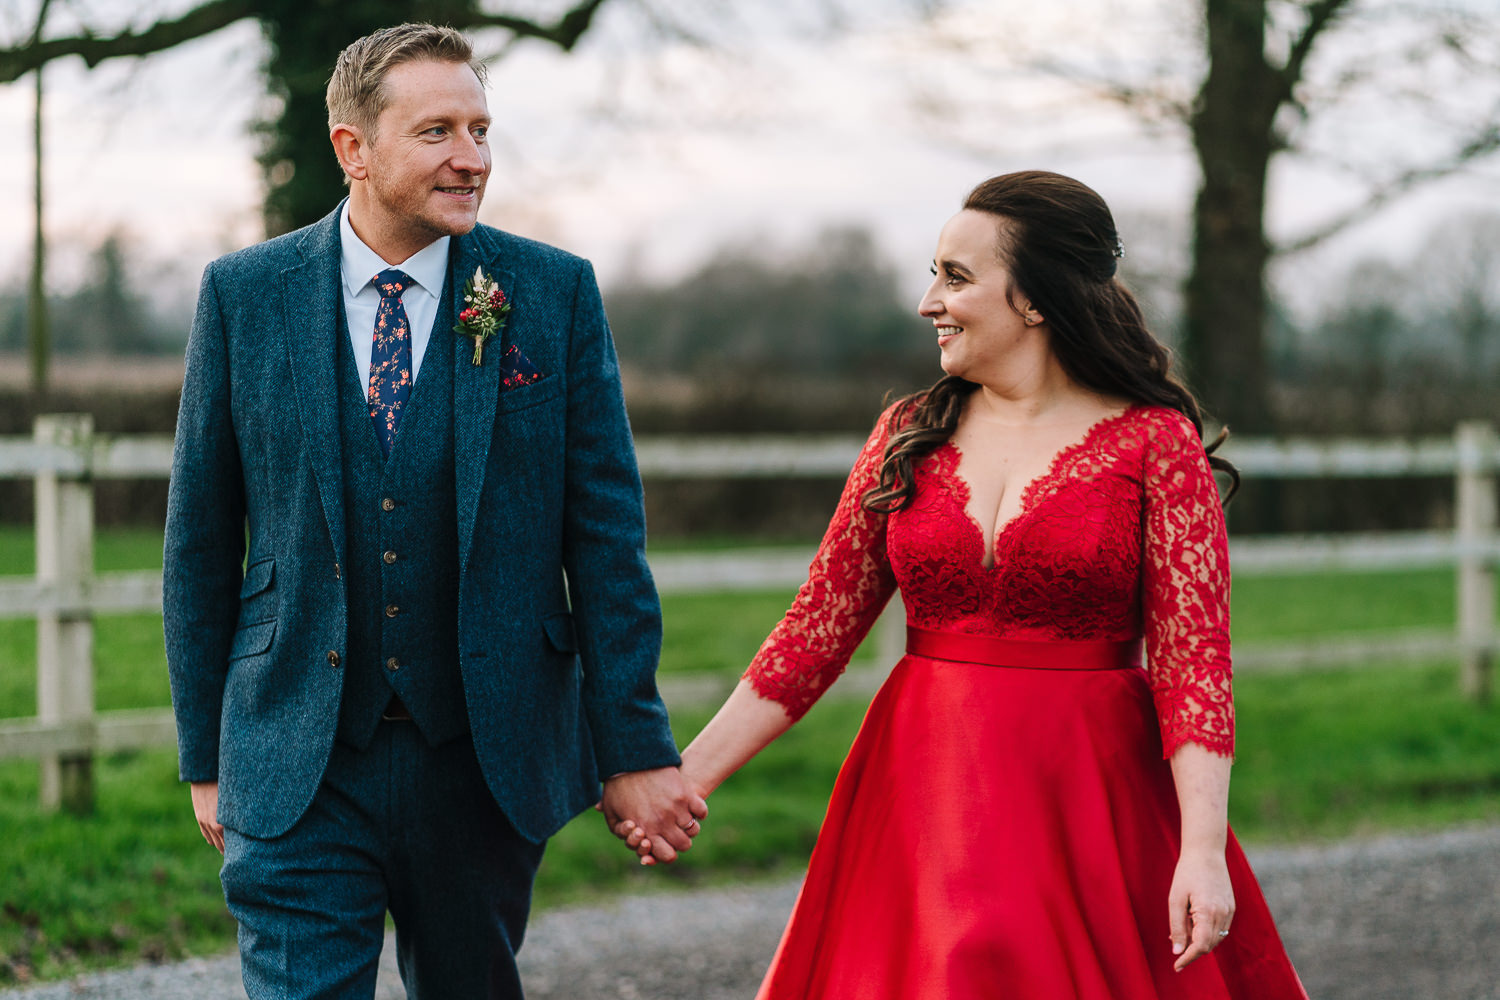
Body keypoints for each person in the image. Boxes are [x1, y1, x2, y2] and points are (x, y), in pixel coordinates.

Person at [617, 171, 1307, 998]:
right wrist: (686, 780)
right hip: (923, 790)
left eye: (955, 276)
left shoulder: (1155, 444)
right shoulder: (907, 433)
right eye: (933, 273)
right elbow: (813, 635)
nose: (927, 302)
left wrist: (1200, 848)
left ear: (1036, 300)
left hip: (1088, 797)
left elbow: (1195, 666)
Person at [163, 23, 704, 1000]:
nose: (472, 157)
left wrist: (632, 748)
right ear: (352, 149)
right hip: (295, 755)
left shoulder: (551, 293)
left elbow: (608, 541)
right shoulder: (244, 297)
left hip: (484, 756)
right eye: (438, 132)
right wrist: (206, 754)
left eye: (481, 129)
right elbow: (200, 543)